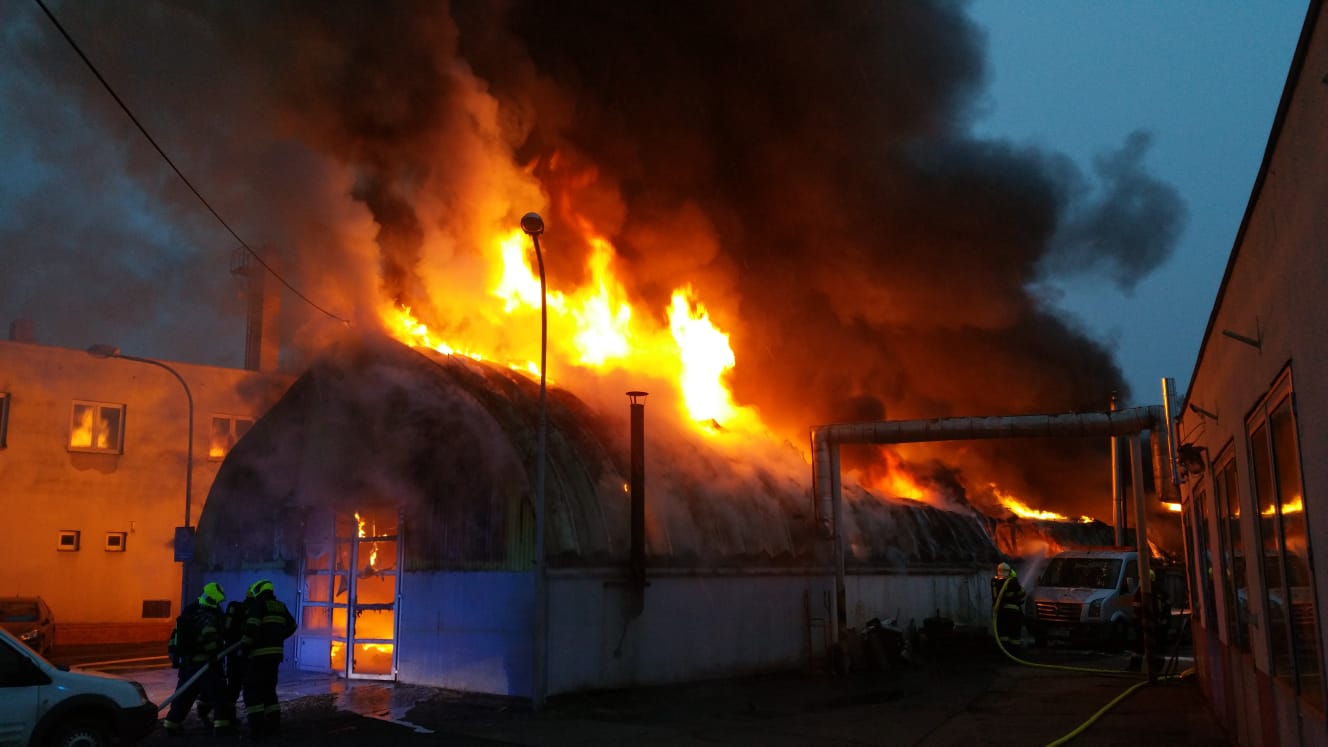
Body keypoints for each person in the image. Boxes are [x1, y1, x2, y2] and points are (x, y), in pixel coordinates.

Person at [163, 581, 238, 736]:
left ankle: (171, 724)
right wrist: (213, 656)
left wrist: (174, 654)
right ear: (212, 599)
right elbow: (209, 637)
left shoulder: (189, 612)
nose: (218, 605)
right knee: (219, 696)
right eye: (216, 601)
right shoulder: (206, 615)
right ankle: (222, 728)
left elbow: (175, 635)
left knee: (183, 697)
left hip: (188, 665)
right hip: (205, 665)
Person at [241, 579, 298, 737]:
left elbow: (252, 626)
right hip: (275, 655)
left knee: (252, 691)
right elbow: (293, 626)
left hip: (258, 655)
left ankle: (256, 728)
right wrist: (278, 637)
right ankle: (273, 725)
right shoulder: (280, 606)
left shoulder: (259, 605)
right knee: (268, 690)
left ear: (258, 590)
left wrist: (245, 648)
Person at [991, 562, 1026, 645]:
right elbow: (1022, 595)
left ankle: (1004, 650)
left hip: (1001, 613)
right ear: (1009, 571)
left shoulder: (995, 583)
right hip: (1014, 613)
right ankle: (1013, 650)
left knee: (1003, 634)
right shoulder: (1013, 582)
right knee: (1014, 635)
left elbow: (995, 598)